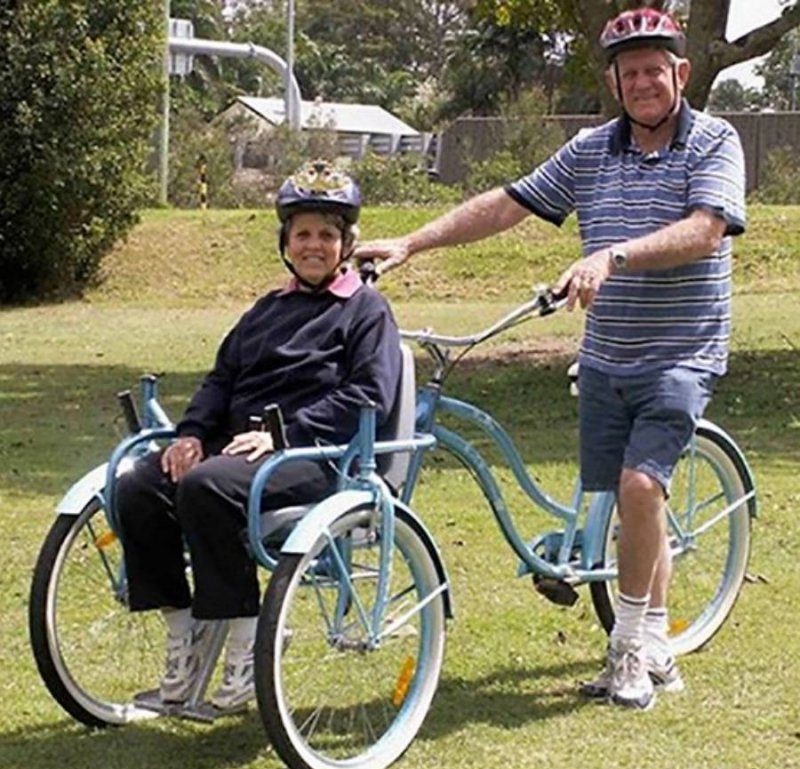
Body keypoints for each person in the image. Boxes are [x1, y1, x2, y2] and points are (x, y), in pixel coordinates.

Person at [354, 8, 746, 711]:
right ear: (613, 82)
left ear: (681, 74)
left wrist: (611, 256)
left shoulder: (714, 141)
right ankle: (656, 640)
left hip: (681, 351)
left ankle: (628, 650)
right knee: (629, 502)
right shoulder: (592, 150)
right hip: (606, 356)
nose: (643, 82)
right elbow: (508, 204)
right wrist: (413, 243)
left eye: (655, 69)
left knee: (640, 488)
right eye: (629, 73)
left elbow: (705, 230)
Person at [115, 162, 402, 711]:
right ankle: (184, 632)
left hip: (317, 456)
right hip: (236, 450)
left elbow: (369, 395)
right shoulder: (265, 310)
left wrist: (283, 435)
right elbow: (221, 380)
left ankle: (247, 645)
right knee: (138, 485)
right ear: (285, 243)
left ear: (346, 244)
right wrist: (191, 435)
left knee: (206, 486)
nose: (313, 245)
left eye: (326, 234)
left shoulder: (367, 312)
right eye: (302, 234)